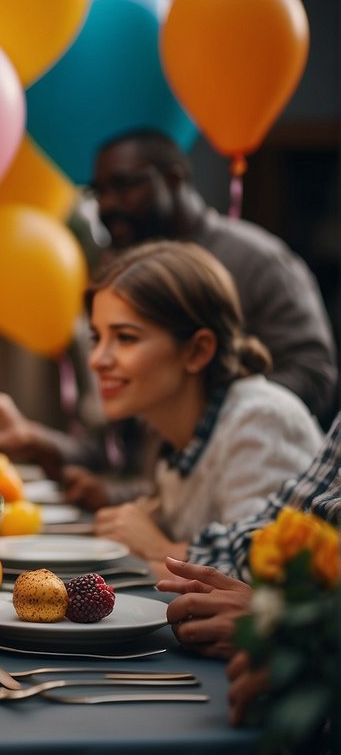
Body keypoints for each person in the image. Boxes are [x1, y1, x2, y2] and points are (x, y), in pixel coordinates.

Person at [0, 128, 337, 497]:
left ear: (174, 179)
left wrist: (212, 427)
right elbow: (120, 442)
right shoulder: (122, 271)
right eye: (98, 191)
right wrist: (37, 443)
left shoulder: (258, 262)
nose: (108, 204)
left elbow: (313, 371)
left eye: (124, 185)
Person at [84, 242, 321, 574]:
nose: (97, 360)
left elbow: (262, 578)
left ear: (197, 351)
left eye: (125, 338)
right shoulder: (172, 430)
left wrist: (158, 547)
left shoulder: (261, 421)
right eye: (96, 338)